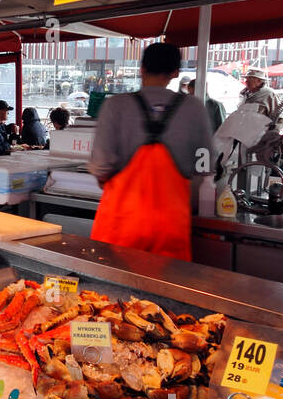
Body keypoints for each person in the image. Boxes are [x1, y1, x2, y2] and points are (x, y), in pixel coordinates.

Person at [88, 42, 214, 260]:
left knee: (112, 287)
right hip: (171, 223)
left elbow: (101, 165)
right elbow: (204, 165)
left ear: (142, 68)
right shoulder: (194, 108)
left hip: (122, 221)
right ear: (175, 73)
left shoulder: (115, 106)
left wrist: (111, 180)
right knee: (164, 286)